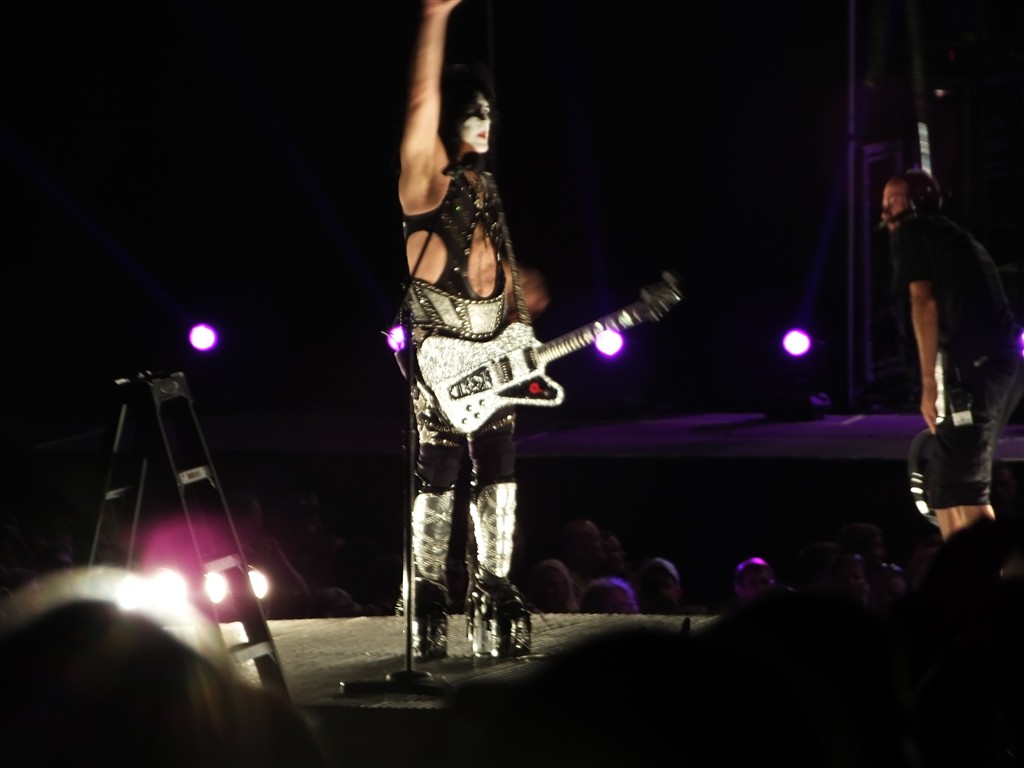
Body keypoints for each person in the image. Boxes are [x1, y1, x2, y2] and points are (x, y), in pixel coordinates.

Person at [395, 0, 549, 660]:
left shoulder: (485, 187)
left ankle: (495, 585)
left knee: (500, 467)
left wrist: (520, 292)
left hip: (494, 349)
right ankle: (429, 591)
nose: (484, 120)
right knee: (439, 467)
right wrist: (436, 16)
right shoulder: (424, 182)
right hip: (442, 359)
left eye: (488, 110)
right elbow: (420, 100)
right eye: (472, 110)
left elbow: (496, 272)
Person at [881, 168, 1024, 543]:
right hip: (984, 365)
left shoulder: (913, 232)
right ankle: (956, 572)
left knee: (966, 486)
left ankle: (991, 576)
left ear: (916, 202)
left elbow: (923, 300)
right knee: (944, 486)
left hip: (979, 368)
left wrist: (928, 384)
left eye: (893, 200)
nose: (885, 211)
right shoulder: (947, 236)